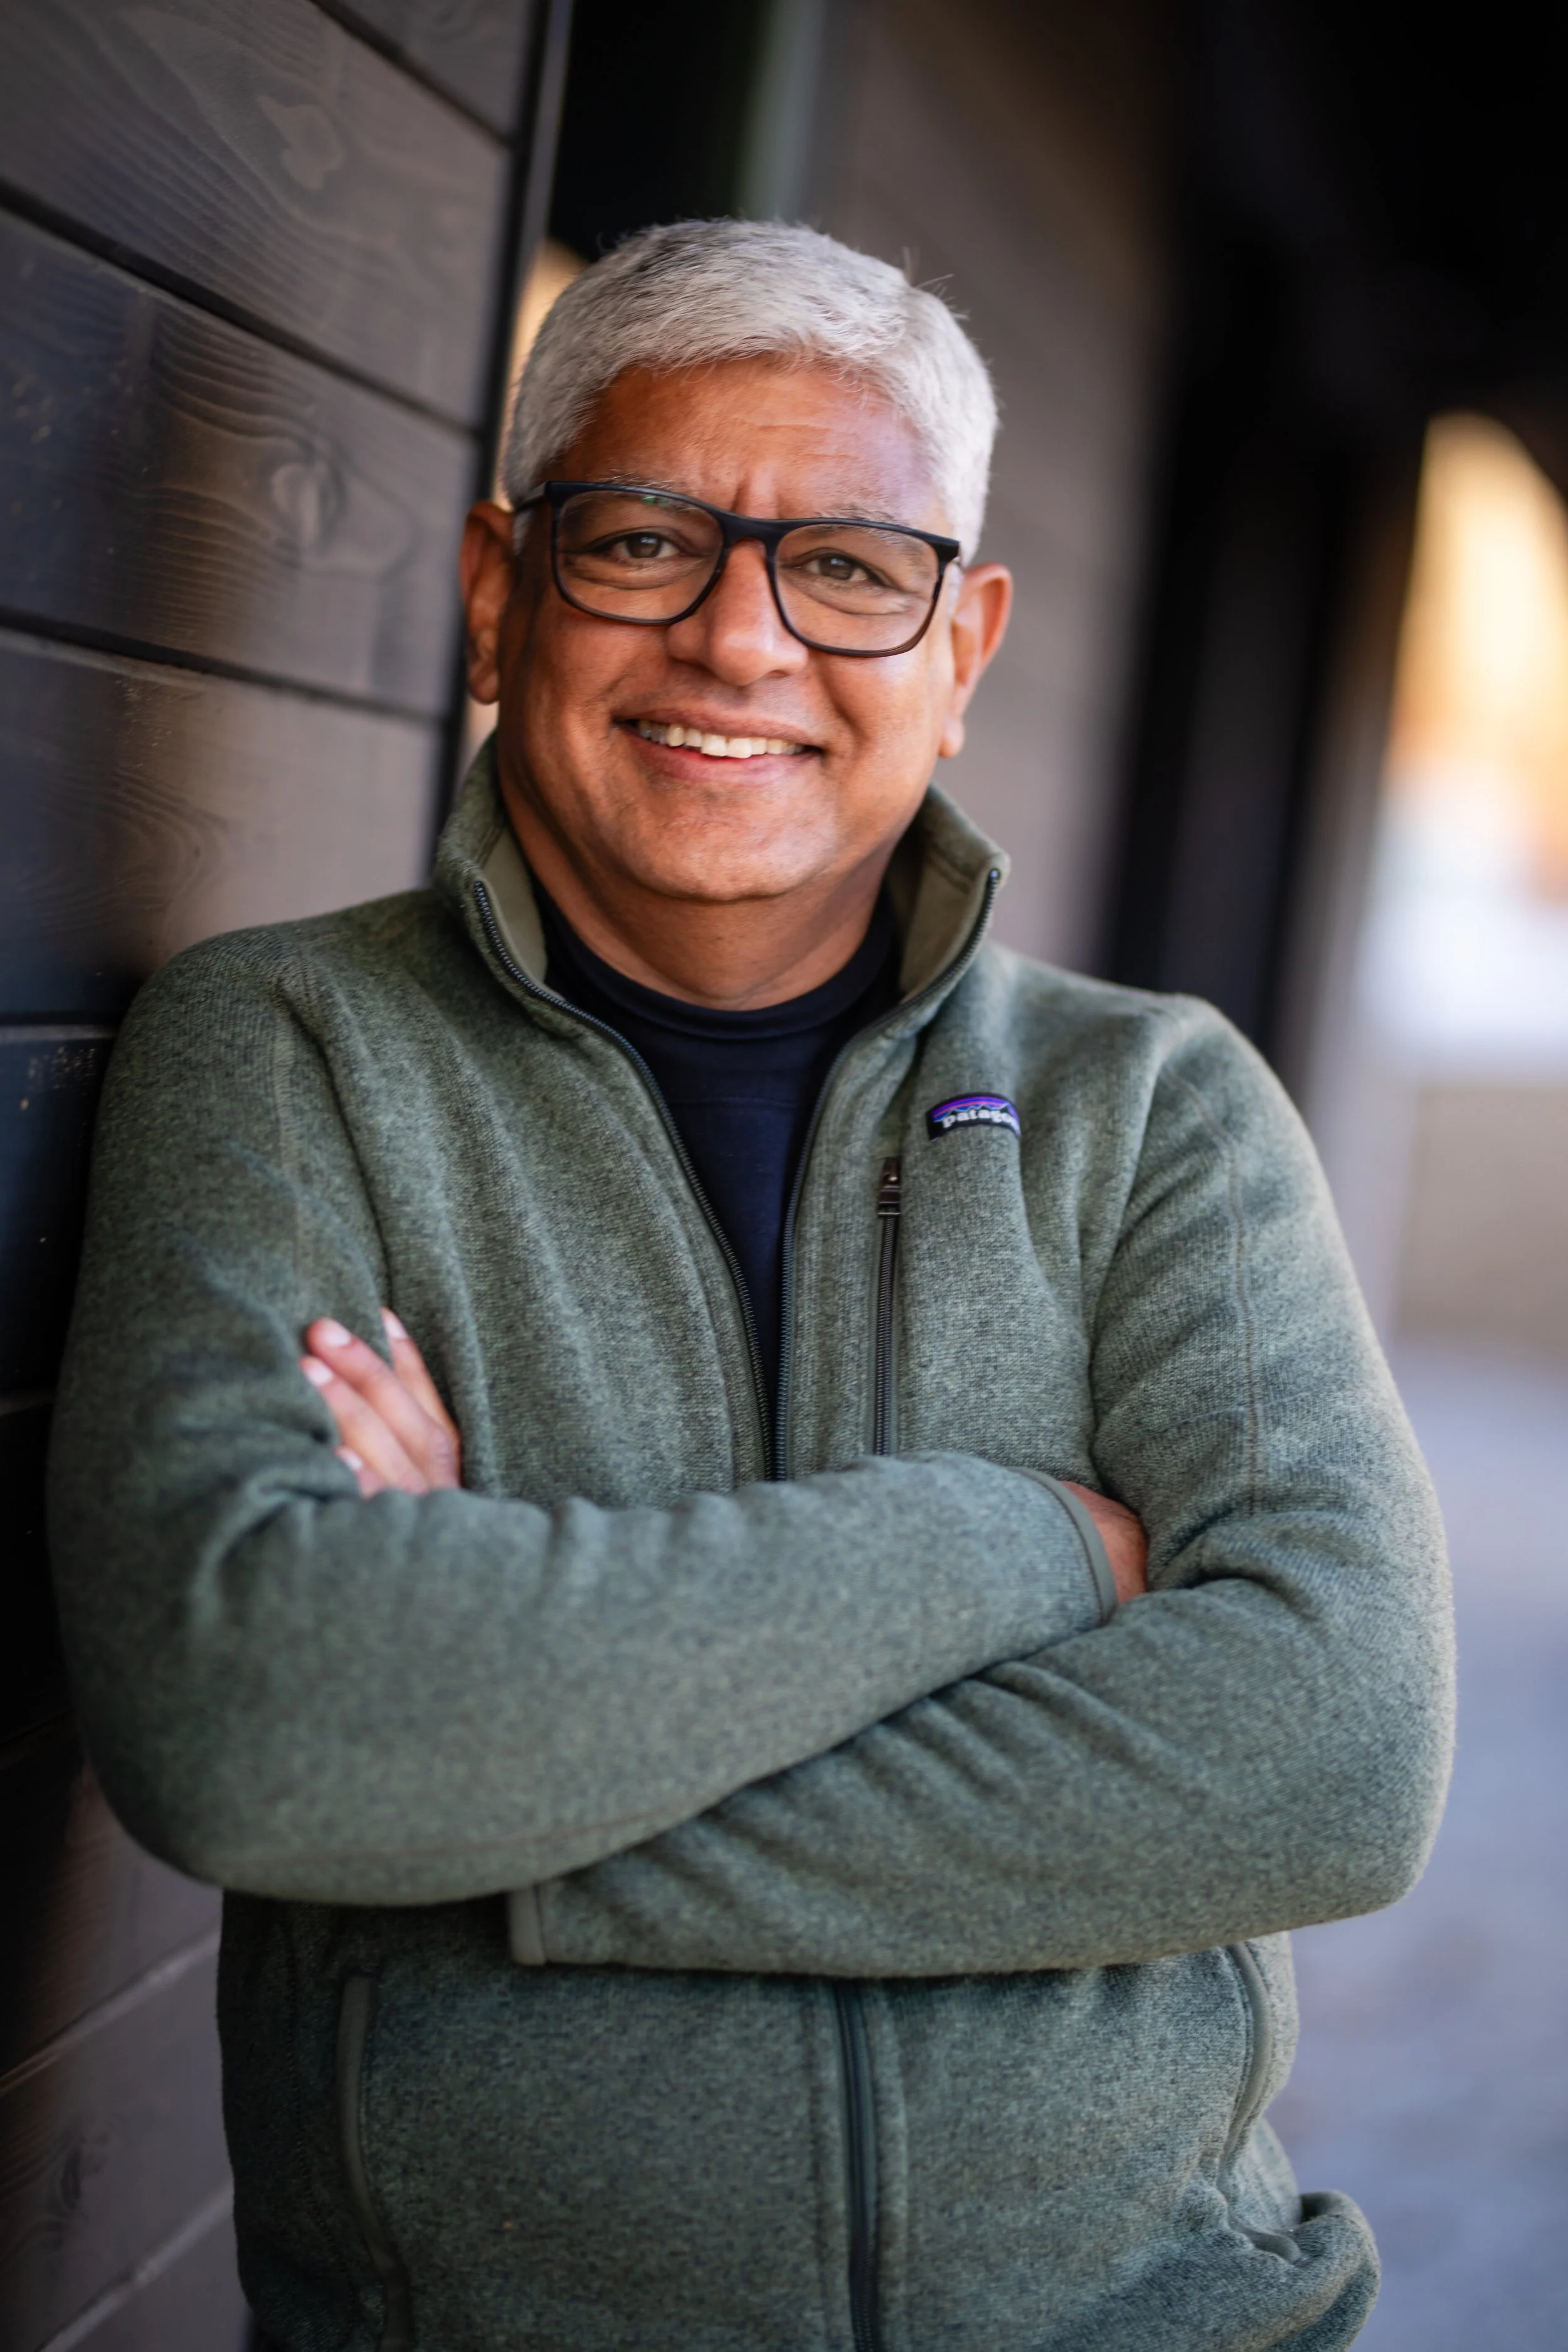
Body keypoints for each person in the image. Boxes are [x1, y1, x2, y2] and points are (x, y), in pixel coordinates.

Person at [50, 220, 1453, 2352]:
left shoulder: (1153, 1106)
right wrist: (1016, 1544)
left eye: (849, 569)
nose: (738, 639)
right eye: (642, 543)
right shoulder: (290, 1052)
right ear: (499, 595)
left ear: (963, 643)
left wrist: (501, 1788)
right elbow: (263, 1729)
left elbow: (1333, 1753)